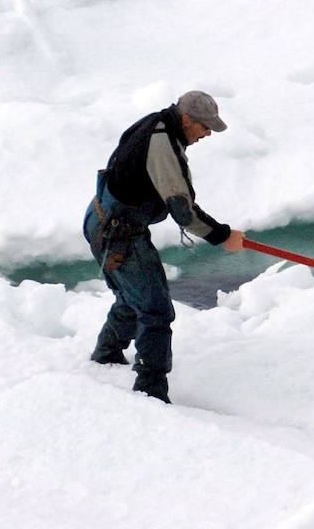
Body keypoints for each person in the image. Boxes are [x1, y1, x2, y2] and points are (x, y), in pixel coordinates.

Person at [83, 90, 245, 403]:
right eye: (204, 126)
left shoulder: (157, 123)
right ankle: (151, 392)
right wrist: (222, 236)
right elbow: (183, 212)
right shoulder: (163, 145)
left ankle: (106, 356)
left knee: (133, 297)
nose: (208, 133)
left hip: (102, 219)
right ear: (186, 119)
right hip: (119, 234)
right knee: (155, 310)